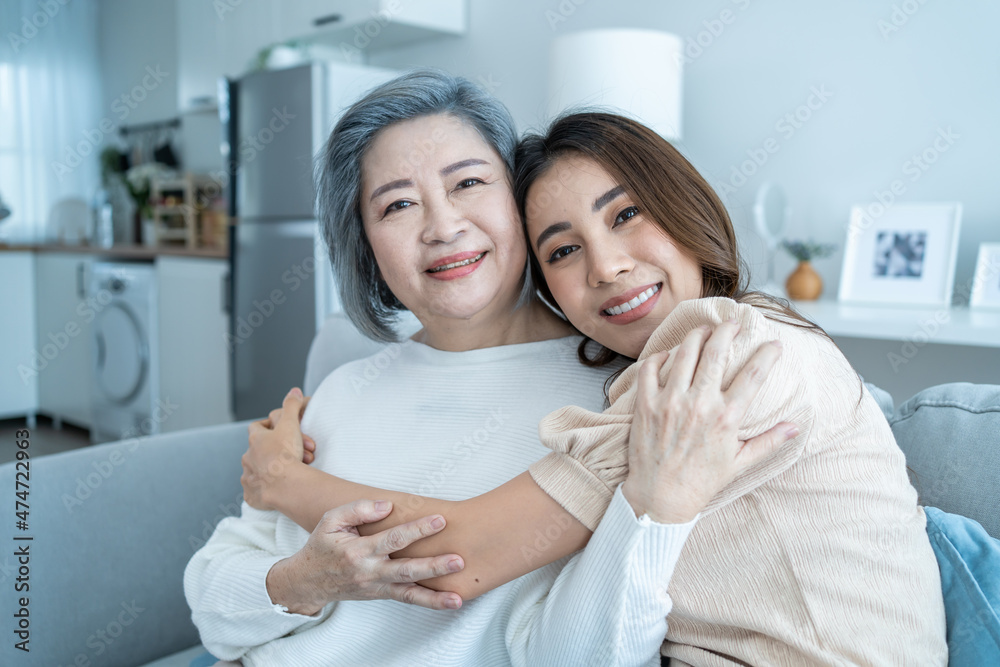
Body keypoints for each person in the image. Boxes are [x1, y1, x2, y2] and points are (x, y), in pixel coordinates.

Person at [247, 111, 949, 666]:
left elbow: (457, 559)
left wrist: (284, 482)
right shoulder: (647, 371)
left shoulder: (730, 355)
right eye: (563, 249)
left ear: (685, 205)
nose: (606, 266)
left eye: (624, 215)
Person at [185, 71, 786, 667]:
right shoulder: (342, 389)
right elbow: (213, 603)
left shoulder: (618, 395)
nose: (443, 227)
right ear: (364, 243)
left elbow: (589, 654)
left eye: (468, 182)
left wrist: (287, 485)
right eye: (398, 204)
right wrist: (302, 581)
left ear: (521, 203)